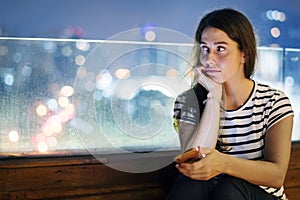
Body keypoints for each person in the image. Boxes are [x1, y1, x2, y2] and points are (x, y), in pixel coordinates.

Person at [166, 8, 294, 200]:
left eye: (220, 49)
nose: (210, 59)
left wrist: (223, 164)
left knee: (230, 186)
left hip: (260, 196)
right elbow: (194, 163)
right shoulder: (187, 102)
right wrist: (214, 97)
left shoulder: (273, 101)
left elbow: (276, 176)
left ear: (244, 54)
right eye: (205, 49)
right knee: (191, 182)